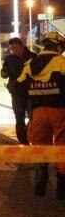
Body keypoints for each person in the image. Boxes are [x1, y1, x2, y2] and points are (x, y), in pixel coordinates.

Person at [17, 31, 65, 198]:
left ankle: (41, 170)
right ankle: (61, 185)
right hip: (59, 111)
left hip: (37, 112)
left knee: (40, 145)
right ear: (58, 46)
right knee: (61, 147)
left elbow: (19, 85)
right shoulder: (61, 62)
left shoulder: (31, 63)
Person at [0, 36, 32, 144]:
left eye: (16, 48)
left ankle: (31, 136)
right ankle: (23, 141)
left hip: (30, 93)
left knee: (33, 118)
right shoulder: (9, 59)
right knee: (19, 118)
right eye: (12, 49)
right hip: (16, 93)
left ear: (22, 47)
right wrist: (4, 72)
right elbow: (4, 74)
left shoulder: (32, 57)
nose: (14, 51)